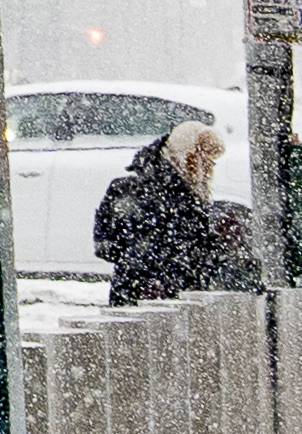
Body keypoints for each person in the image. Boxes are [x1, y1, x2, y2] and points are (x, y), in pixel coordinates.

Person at [94, 119, 235, 304]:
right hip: (149, 301)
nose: (209, 171)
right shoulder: (165, 197)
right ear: (188, 158)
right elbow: (186, 257)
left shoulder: (183, 194)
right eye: (206, 161)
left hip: (145, 297)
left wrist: (221, 241)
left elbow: (108, 247)